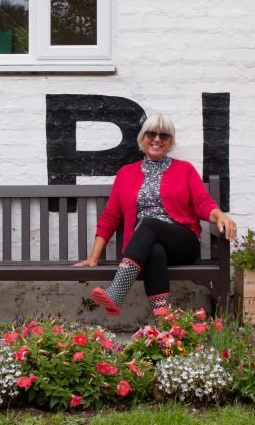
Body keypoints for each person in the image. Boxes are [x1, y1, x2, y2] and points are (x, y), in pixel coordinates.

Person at [74, 113, 237, 315]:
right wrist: (93, 257)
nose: (157, 139)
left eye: (164, 135)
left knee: (150, 223)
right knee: (155, 251)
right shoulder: (126, 174)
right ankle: (165, 327)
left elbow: (202, 203)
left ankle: (118, 291)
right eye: (151, 134)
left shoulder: (184, 169)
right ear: (142, 138)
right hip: (145, 247)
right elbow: (110, 217)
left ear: (170, 142)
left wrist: (220, 215)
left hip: (182, 244)